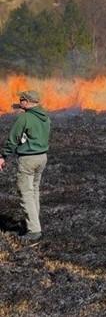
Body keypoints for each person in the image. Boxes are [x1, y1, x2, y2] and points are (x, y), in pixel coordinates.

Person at [0, 90, 51, 242]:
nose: (19, 102)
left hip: (28, 160)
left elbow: (13, 139)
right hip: (42, 158)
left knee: (25, 193)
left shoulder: (25, 118)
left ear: (27, 102)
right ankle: (34, 223)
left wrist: (3, 156)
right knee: (34, 190)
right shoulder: (45, 117)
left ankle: (34, 230)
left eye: (21, 100)